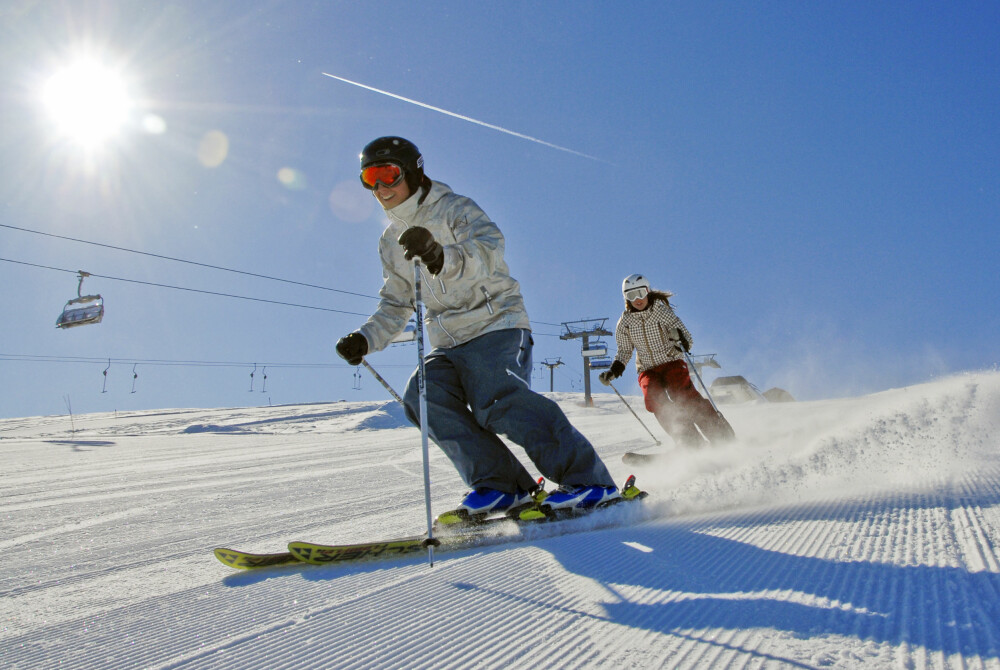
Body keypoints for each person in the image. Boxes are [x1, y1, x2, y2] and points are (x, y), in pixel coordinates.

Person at [335, 136, 620, 521]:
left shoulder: (454, 208)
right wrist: (366, 338)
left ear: (414, 171)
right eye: (371, 178)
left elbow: (489, 249)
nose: (381, 187)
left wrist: (440, 255)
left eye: (388, 173)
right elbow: (396, 301)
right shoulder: (389, 241)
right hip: (448, 340)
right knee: (423, 397)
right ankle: (502, 487)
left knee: (497, 398)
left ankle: (589, 480)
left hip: (495, 323)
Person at [599, 273, 735, 447]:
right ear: (626, 298)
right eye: (631, 295)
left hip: (670, 361)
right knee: (654, 400)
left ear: (647, 292)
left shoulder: (660, 311)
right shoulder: (624, 323)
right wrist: (613, 371)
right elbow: (625, 351)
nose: (638, 299)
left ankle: (718, 433)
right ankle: (689, 440)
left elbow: (686, 336)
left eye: (640, 293)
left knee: (683, 395)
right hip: (647, 368)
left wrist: (680, 341)